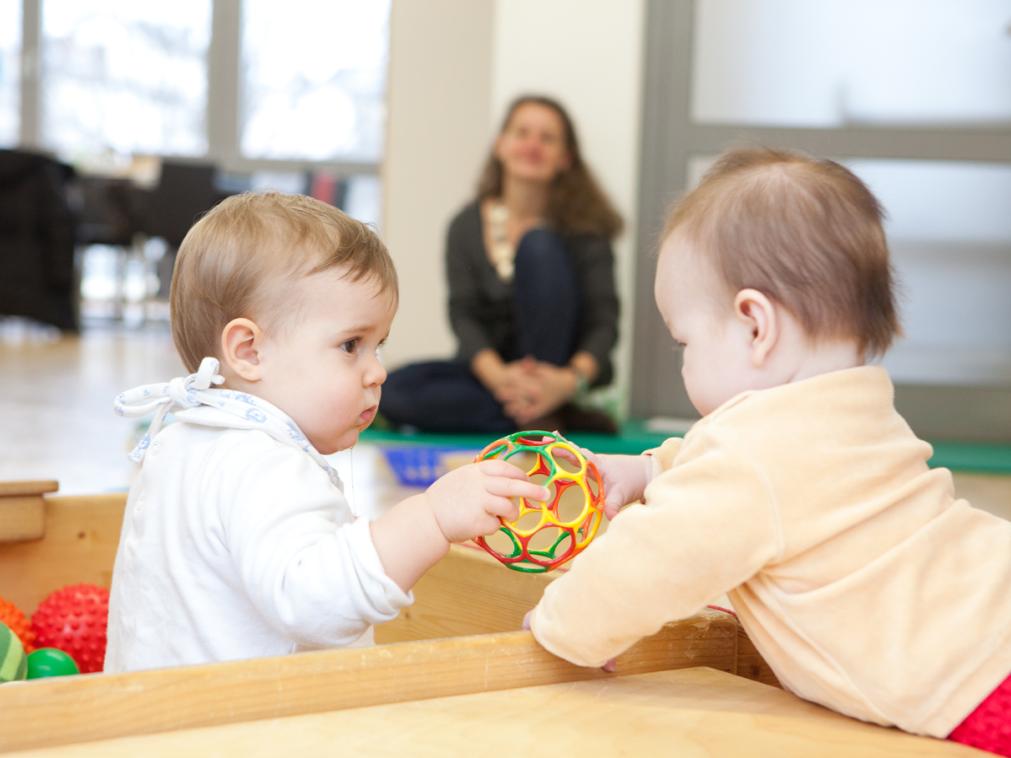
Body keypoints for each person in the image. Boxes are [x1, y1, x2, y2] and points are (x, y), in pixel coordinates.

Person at [525, 148, 1011, 754]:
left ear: (756, 326)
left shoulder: (751, 461)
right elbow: (747, 478)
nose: (684, 363)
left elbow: (647, 563)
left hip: (977, 681)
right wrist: (650, 469)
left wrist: (560, 627)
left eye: (684, 343)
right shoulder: (856, 410)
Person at [105, 193, 548, 673]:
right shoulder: (264, 465)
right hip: (248, 715)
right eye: (351, 345)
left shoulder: (177, 441)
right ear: (249, 351)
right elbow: (315, 604)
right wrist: (432, 518)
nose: (377, 371)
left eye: (378, 345)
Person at [380, 95, 623, 434]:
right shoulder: (466, 225)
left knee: (538, 244)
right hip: (493, 376)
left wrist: (566, 382)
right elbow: (462, 314)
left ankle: (545, 404)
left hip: (561, 378)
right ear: (501, 145)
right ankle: (542, 415)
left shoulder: (586, 229)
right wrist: (498, 377)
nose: (532, 145)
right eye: (522, 133)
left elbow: (604, 323)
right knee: (393, 390)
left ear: (565, 158)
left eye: (547, 138)